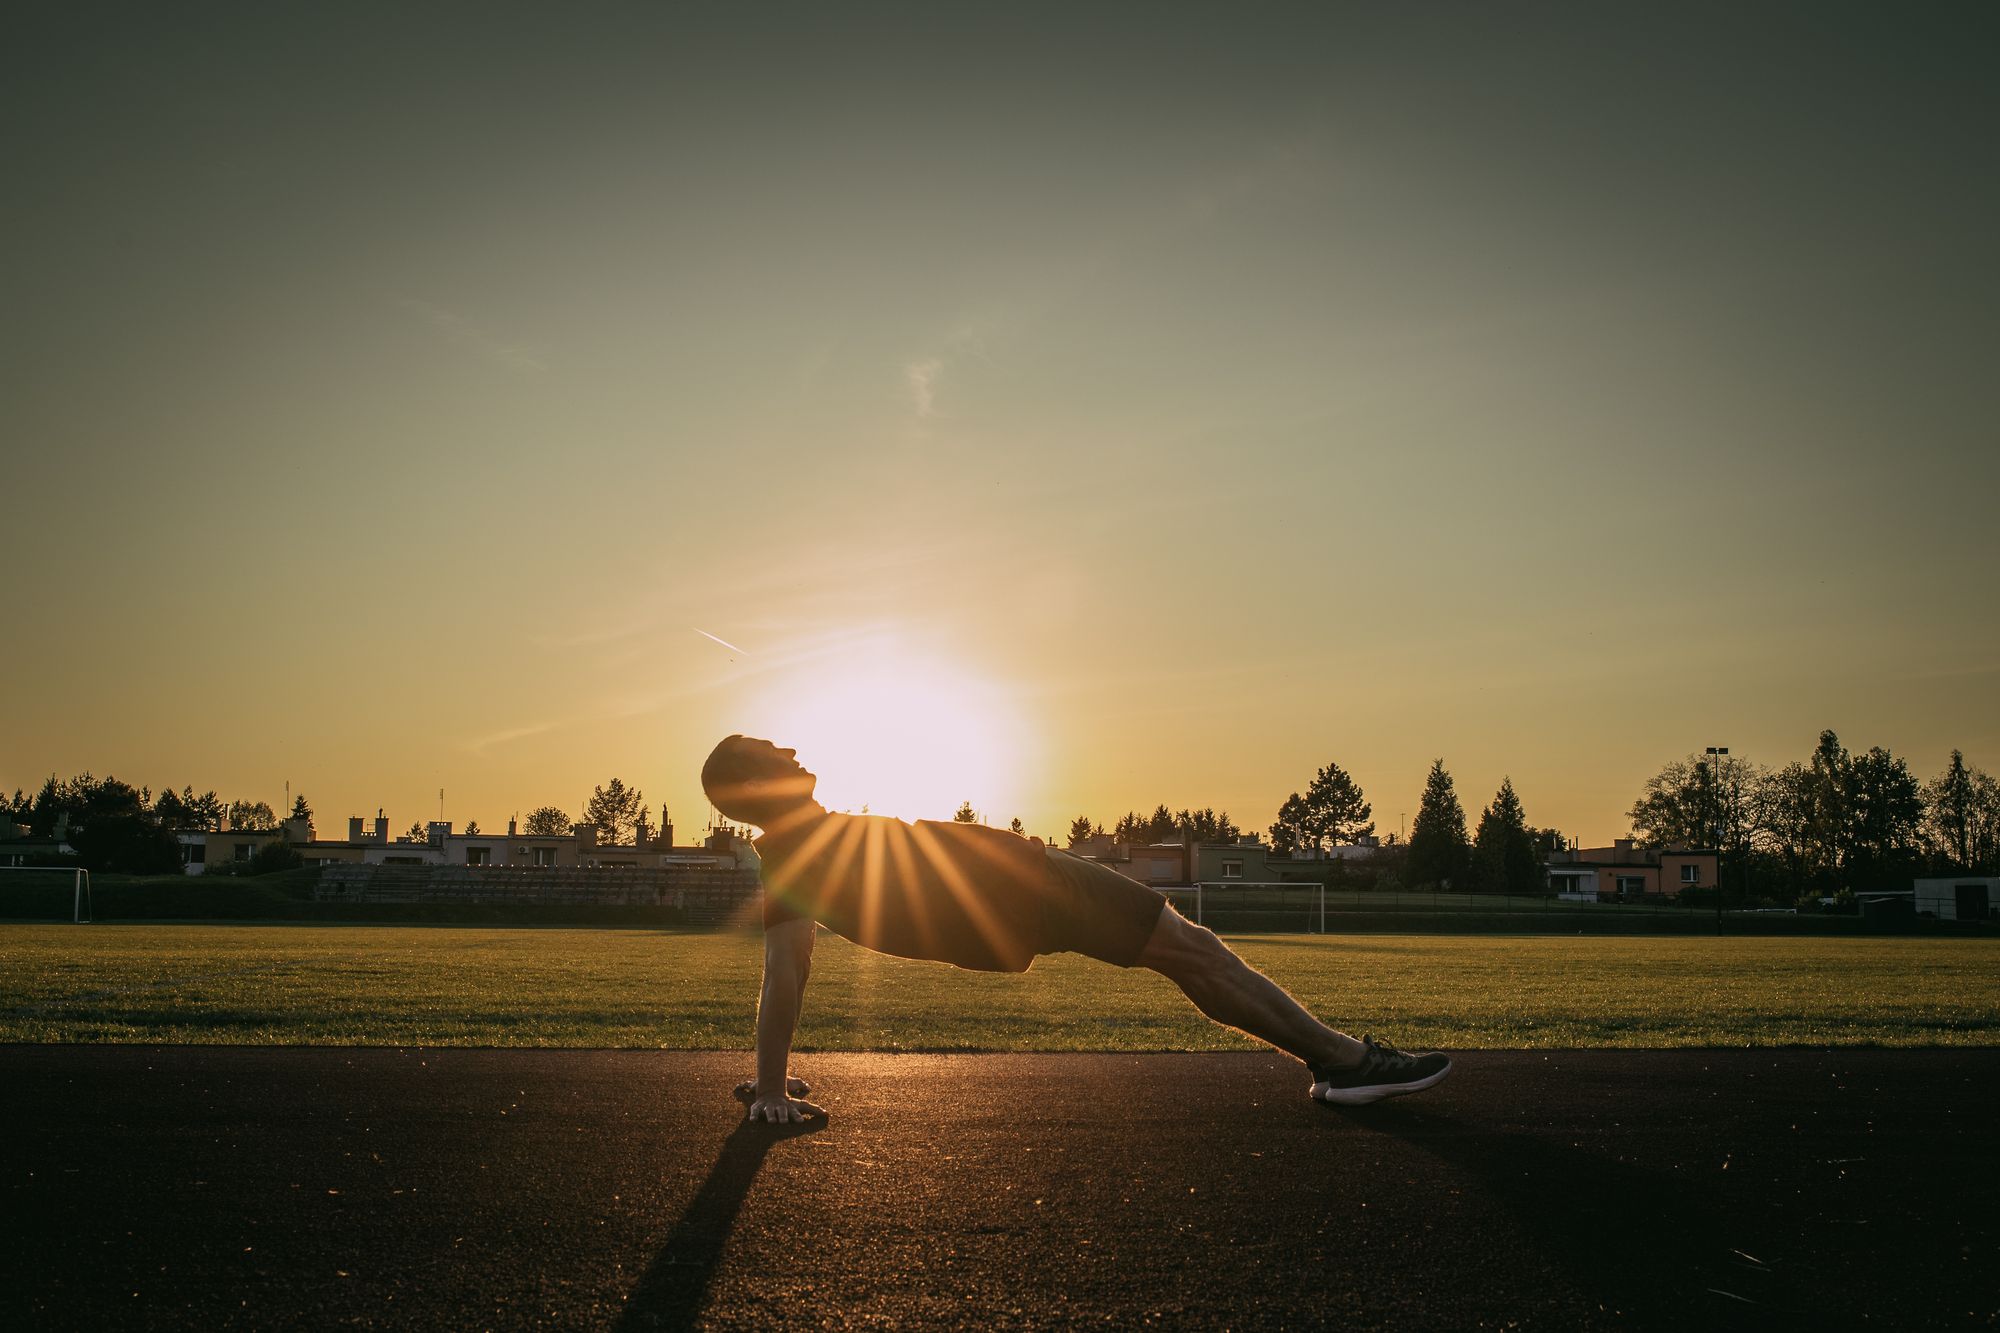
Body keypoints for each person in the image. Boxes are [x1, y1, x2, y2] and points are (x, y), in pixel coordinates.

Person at [702, 735, 1450, 1123]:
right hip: (1037, 888)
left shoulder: (792, 854)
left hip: (1024, 898)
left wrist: (772, 1079)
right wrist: (769, 1088)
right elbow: (785, 969)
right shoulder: (800, 852)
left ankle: (1332, 1060)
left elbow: (786, 964)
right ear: (755, 782)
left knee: (1187, 958)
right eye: (773, 752)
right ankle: (1345, 1063)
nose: (793, 751)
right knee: (1195, 950)